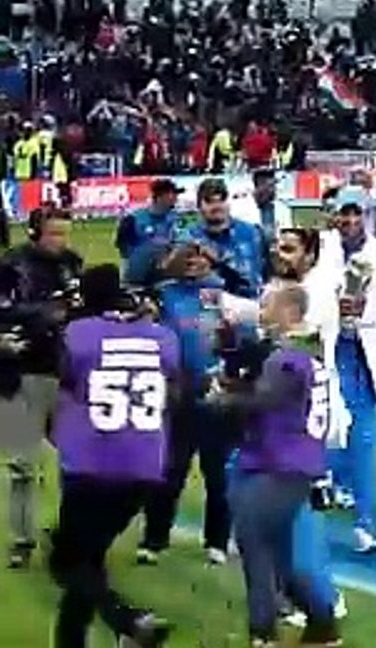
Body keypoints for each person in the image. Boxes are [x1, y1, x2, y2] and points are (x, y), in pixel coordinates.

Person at [47, 263, 181, 648]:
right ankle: (75, 641)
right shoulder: (163, 338)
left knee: (67, 562)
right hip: (143, 466)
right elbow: (173, 387)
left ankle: (128, 620)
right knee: (90, 559)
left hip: (91, 463)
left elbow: (67, 377)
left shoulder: (80, 333)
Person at [217, 284, 342, 647]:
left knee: (254, 542)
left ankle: (263, 632)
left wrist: (222, 398)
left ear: (289, 310)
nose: (261, 309)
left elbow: (266, 399)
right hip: (286, 459)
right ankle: (322, 625)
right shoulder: (307, 352)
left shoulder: (288, 357)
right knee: (280, 558)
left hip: (279, 462)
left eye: (267, 303)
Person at [136, 241, 236, 566]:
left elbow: (243, 335)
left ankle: (217, 541)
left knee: (218, 473)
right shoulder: (165, 293)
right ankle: (154, 538)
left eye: (199, 257)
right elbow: (136, 279)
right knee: (169, 471)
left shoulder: (225, 293)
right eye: (187, 257)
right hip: (176, 394)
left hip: (217, 393)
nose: (192, 263)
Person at [0, 204, 83, 568]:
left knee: (77, 461)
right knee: (21, 465)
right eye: (54, 234)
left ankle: (70, 535)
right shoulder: (11, 266)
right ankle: (22, 540)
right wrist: (45, 313)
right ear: (35, 232)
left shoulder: (71, 264)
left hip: (64, 373)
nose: (60, 241)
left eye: (64, 233)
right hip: (19, 374)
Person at [321, 194, 376, 554]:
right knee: (329, 433)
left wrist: (363, 311)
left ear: (365, 217)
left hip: (364, 353)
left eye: (356, 214)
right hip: (330, 350)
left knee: (364, 439)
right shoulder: (323, 252)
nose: (349, 220)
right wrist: (335, 309)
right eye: (344, 214)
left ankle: (364, 524)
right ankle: (316, 517)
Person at [182, 178, 266, 299]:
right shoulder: (188, 238)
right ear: (199, 206)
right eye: (209, 201)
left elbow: (267, 273)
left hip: (249, 306)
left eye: (222, 200)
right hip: (205, 310)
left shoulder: (253, 233)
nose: (217, 206)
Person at [115, 179, 184, 288]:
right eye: (173, 194)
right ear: (160, 197)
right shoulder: (133, 219)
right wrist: (138, 259)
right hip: (134, 279)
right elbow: (121, 243)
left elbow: (180, 243)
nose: (176, 198)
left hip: (164, 279)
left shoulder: (176, 219)